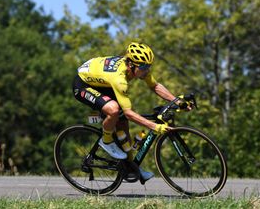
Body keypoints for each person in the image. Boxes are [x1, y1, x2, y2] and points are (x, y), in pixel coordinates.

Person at [73, 42, 181, 182]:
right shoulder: (119, 80)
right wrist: (154, 126)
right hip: (83, 84)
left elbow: (155, 86)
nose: (147, 70)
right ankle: (106, 140)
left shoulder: (138, 68)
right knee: (114, 110)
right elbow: (129, 113)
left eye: (149, 66)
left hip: (103, 83)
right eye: (143, 67)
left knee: (123, 128)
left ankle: (131, 167)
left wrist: (177, 101)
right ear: (131, 65)